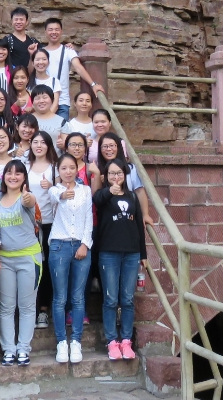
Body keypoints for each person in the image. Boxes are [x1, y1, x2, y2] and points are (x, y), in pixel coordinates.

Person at [93, 158, 147, 361]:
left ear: (125, 175)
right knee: (110, 299)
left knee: (127, 299)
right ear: (106, 176)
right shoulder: (103, 195)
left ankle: (126, 340)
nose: (116, 177)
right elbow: (97, 200)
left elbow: (139, 226)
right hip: (109, 252)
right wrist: (109, 191)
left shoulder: (132, 196)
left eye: (119, 173)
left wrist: (143, 254)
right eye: (112, 174)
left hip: (131, 253)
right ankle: (111, 341)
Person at [0, 159, 40, 367]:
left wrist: (28, 197)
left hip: (29, 258)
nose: (13, 176)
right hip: (4, 259)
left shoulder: (26, 197)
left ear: (24, 177)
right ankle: (8, 350)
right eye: (9, 172)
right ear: (3, 176)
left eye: (18, 173)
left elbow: (30, 202)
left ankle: (23, 349)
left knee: (27, 306)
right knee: (6, 307)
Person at [46, 154, 91, 363]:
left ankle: (76, 341)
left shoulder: (86, 191)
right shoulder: (54, 190)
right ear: (59, 171)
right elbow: (56, 197)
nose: (68, 171)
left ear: (77, 169)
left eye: (72, 167)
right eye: (64, 168)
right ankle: (61, 342)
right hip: (59, 245)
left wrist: (85, 244)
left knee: (78, 297)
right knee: (60, 297)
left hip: (80, 244)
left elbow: (89, 219)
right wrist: (64, 194)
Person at [26, 131, 58, 329]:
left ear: (48, 145)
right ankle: (29, 309)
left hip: (50, 223)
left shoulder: (55, 167)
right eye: (35, 142)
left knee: (46, 267)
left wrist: (52, 186)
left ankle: (44, 310)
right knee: (30, 267)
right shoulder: (25, 166)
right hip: (28, 224)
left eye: (43, 142)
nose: (39, 146)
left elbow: (63, 192)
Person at [89, 132, 156, 226]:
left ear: (118, 147)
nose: (109, 149)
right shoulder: (96, 169)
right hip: (107, 221)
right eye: (105, 146)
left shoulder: (131, 169)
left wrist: (145, 214)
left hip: (128, 218)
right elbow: (96, 197)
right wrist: (98, 176)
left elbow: (139, 191)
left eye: (112, 145)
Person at [42, 18, 103, 119]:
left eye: (57, 29)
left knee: (62, 128)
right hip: (42, 100)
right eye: (50, 29)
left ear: (61, 31)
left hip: (62, 101)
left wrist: (93, 84)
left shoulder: (68, 51)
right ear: (45, 32)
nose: (54, 32)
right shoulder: (40, 52)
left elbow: (78, 67)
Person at [30, 49, 61, 113]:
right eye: (37, 59)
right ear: (33, 63)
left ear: (48, 62)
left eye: (44, 59)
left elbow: (55, 105)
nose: (41, 62)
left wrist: (46, 117)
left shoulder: (54, 81)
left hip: (50, 116)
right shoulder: (28, 81)